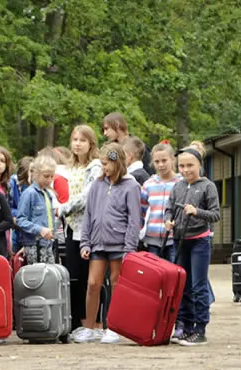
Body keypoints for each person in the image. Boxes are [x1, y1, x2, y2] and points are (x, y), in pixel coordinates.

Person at [72, 142, 141, 344]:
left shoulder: (132, 186)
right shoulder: (97, 185)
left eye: (106, 164)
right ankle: (89, 327)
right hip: (98, 244)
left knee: (116, 284)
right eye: (101, 164)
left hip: (120, 245)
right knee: (93, 284)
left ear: (117, 163)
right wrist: (85, 243)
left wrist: (130, 247)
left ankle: (113, 327)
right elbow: (89, 215)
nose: (103, 168)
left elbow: (134, 220)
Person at [165, 144, 221, 346]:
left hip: (199, 241)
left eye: (190, 165)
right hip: (180, 241)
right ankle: (185, 327)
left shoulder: (208, 186)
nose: (186, 170)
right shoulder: (177, 186)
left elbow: (215, 214)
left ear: (200, 165)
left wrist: (197, 212)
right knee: (184, 286)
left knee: (198, 286)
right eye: (181, 166)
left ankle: (200, 329)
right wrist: (168, 220)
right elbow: (169, 209)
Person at [59, 124, 102, 336]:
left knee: (89, 279)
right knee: (73, 277)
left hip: (89, 229)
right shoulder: (69, 168)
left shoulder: (95, 166)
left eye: (82, 140)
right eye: (74, 140)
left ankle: (92, 323)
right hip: (70, 228)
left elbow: (88, 195)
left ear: (91, 143)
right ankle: (75, 322)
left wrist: (64, 208)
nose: (77, 144)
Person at [140, 142, 182, 262]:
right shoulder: (148, 184)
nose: (161, 165)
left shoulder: (181, 183)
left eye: (164, 160)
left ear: (172, 159)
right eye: (157, 162)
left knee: (174, 273)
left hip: (174, 239)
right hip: (152, 239)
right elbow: (140, 212)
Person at [15, 155, 58, 264]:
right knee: (38, 276)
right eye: (46, 176)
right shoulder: (29, 193)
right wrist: (40, 229)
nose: (49, 180)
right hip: (34, 244)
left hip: (48, 244)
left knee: (50, 275)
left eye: (52, 177)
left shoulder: (48, 194)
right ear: (36, 174)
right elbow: (21, 220)